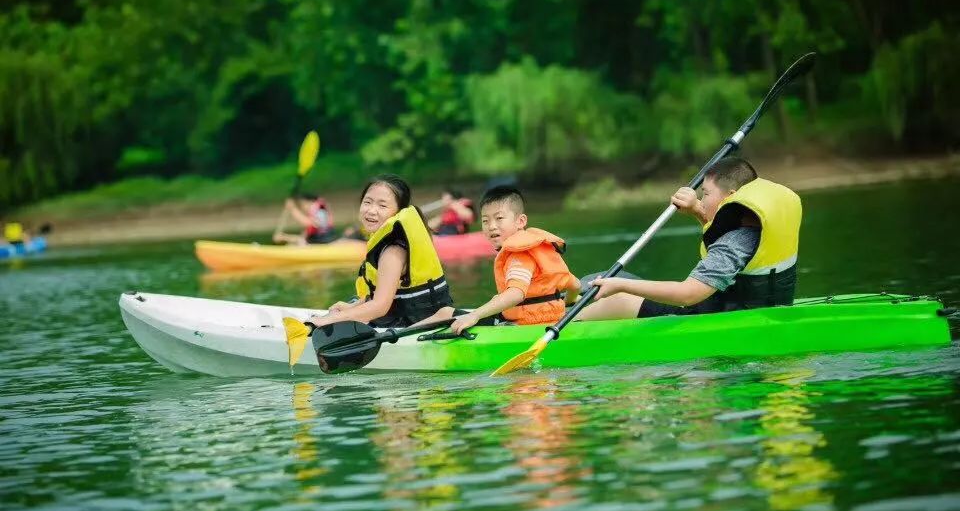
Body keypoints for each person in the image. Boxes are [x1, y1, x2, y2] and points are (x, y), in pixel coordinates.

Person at [576, 157, 802, 321]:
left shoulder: (734, 243)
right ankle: (566, 306)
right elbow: (730, 254)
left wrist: (618, 286)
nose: (701, 199)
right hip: (752, 310)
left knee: (618, 295)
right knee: (600, 280)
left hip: (720, 318)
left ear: (730, 198)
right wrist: (697, 211)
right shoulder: (756, 227)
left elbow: (689, 294)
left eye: (706, 194)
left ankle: (556, 327)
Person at [308, 174, 453, 329]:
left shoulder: (393, 251)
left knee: (340, 319)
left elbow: (380, 306)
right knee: (352, 302)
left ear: (398, 212)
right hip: (407, 314)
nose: (371, 210)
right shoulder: (387, 243)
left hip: (418, 323)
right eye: (367, 202)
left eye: (382, 206)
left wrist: (328, 320)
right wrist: (355, 306)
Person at [440, 186, 581, 334]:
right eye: (485, 221)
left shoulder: (519, 254)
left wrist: (474, 315)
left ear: (520, 221)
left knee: (444, 313)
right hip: (552, 319)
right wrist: (568, 303)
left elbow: (516, 294)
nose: (492, 226)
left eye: (499, 218)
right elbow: (575, 285)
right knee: (446, 312)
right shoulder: (538, 249)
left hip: (526, 327)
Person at [273, 194, 337, 245]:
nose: (303, 208)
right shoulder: (318, 210)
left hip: (324, 242)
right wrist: (284, 237)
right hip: (317, 242)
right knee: (291, 245)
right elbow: (303, 238)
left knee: (296, 244)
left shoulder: (319, 210)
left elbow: (309, 223)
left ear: (310, 202)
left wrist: (292, 209)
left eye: (303, 204)